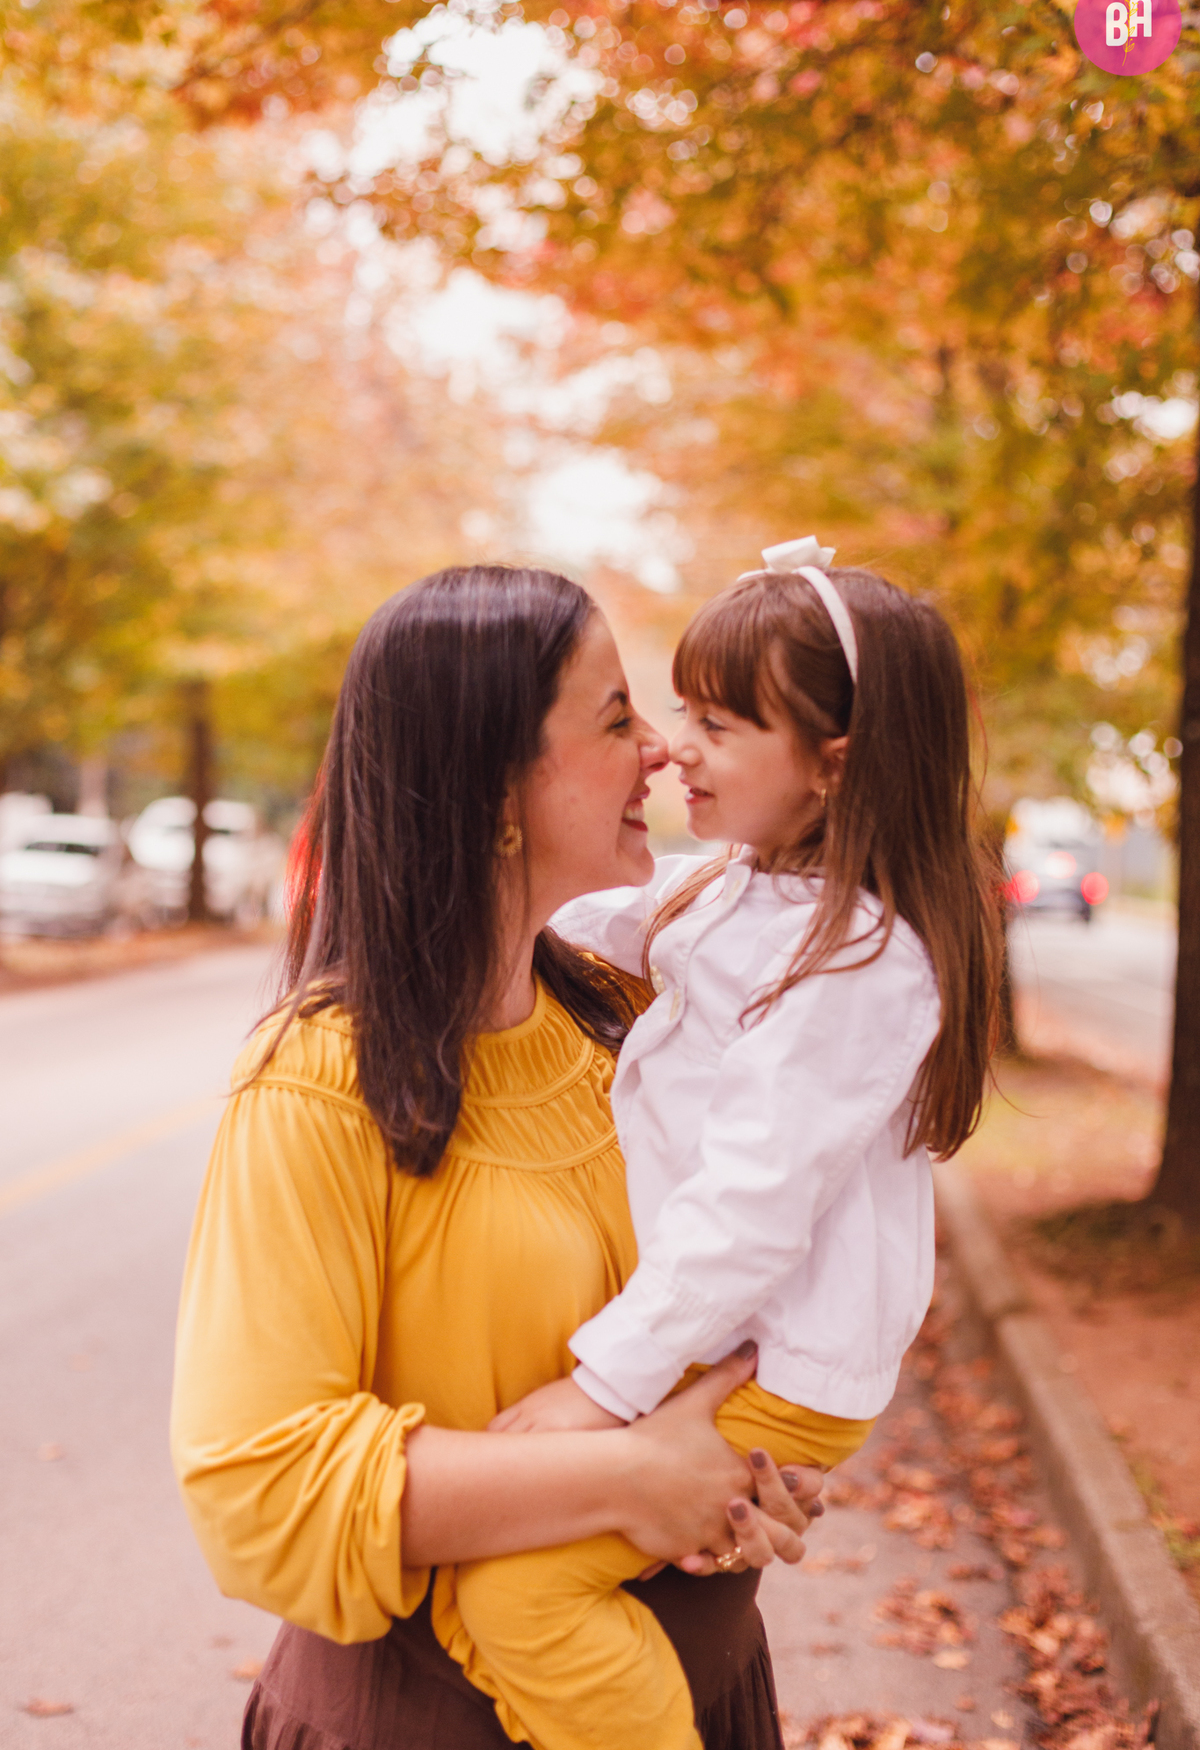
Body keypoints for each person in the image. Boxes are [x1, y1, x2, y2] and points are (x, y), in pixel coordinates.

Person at [169, 563, 822, 1750]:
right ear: (493, 788)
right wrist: (635, 1479)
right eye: (618, 718)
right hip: (439, 1721)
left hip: (703, 1694)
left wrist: (745, 1477)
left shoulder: (632, 1015)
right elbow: (257, 1487)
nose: (663, 753)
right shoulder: (318, 1081)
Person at [431, 540, 1001, 1750]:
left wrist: (603, 1389)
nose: (674, 745)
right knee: (494, 1601)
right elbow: (588, 913)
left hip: (773, 1364)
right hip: (725, 1342)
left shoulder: (860, 963)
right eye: (680, 708)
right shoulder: (734, 887)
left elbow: (753, 1205)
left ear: (833, 767)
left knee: (516, 1593)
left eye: (723, 725)